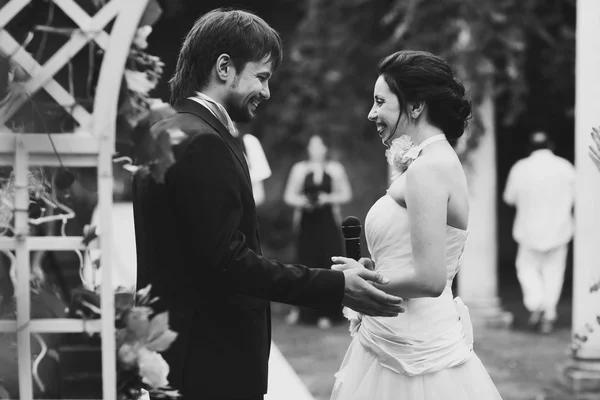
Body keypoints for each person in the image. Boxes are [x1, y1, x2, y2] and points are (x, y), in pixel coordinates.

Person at [131, 8, 404, 400]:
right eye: (261, 76)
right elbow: (228, 262)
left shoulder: (167, 130)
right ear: (225, 67)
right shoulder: (202, 142)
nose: (267, 91)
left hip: (179, 356)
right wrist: (334, 286)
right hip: (212, 365)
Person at [329, 50, 502, 400]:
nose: (371, 113)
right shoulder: (432, 162)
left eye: (380, 102)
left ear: (416, 105)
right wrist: (377, 269)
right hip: (393, 340)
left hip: (415, 358)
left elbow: (430, 278)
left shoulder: (428, 169)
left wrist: (362, 284)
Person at [503, 131, 575, 334]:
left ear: (529, 148)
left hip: (529, 230)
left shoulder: (520, 168)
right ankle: (548, 313)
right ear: (550, 145)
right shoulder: (565, 167)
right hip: (559, 230)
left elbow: (509, 198)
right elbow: (579, 194)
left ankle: (537, 303)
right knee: (554, 273)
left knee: (526, 269)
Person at [283, 134, 352, 328]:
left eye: (319, 145)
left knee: (328, 265)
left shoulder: (335, 169)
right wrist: (303, 202)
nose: (315, 149)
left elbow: (346, 194)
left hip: (328, 223)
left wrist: (326, 198)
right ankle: (304, 312)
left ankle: (328, 313)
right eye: (312, 145)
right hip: (307, 223)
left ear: (325, 148)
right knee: (306, 264)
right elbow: (289, 195)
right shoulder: (299, 169)